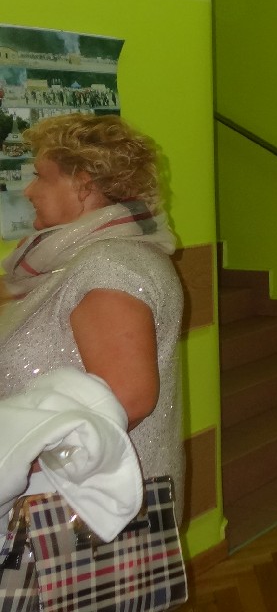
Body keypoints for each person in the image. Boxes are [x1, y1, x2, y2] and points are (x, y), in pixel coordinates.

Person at [0, 115, 184, 525]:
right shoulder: (85, 259)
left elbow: (127, 400)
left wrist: (15, 459)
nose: (28, 190)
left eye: (40, 176)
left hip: (75, 512)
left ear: (82, 184)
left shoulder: (110, 264)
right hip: (71, 500)